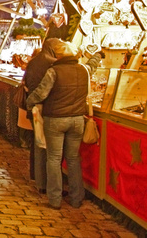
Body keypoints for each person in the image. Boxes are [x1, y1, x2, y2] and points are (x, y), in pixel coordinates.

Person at [26, 41, 102, 209]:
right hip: (76, 119)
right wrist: (98, 56)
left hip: (55, 120)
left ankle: (54, 199)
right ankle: (76, 198)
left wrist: (29, 102)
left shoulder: (54, 71)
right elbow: (92, 67)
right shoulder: (83, 70)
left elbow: (40, 93)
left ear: (58, 56)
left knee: (53, 158)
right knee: (73, 158)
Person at [23, 38, 62, 194]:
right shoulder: (51, 63)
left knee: (37, 143)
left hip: (33, 107)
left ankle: (37, 178)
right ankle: (44, 183)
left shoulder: (34, 61)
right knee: (44, 147)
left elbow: (25, 81)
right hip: (44, 107)